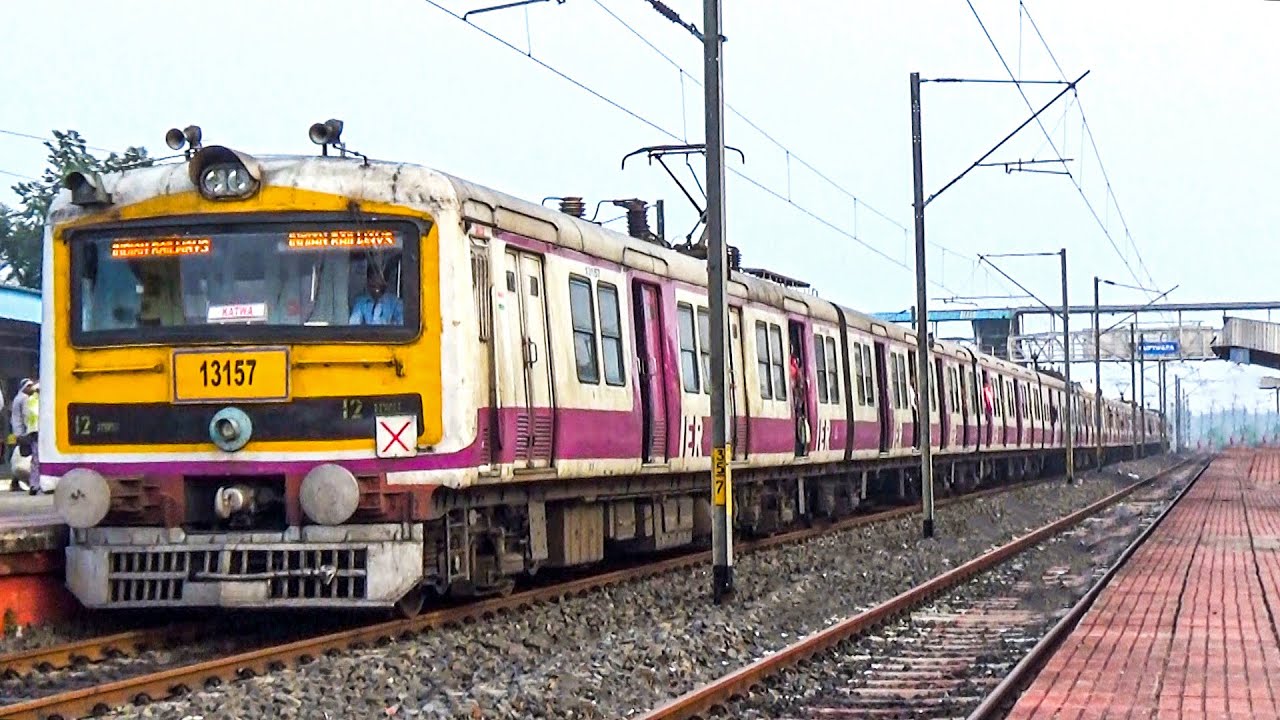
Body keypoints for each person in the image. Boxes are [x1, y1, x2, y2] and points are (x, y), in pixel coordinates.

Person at [9, 379, 31, 492]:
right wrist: (30, 429)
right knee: (24, 454)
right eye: (29, 386)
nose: (31, 388)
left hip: (16, 431)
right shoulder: (25, 398)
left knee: (16, 455)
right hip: (23, 432)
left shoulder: (17, 398)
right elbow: (26, 415)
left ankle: (14, 482)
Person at [22, 382, 38, 495]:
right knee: (37, 458)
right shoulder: (33, 400)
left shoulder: (30, 400)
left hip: (35, 431)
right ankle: (35, 484)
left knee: (36, 459)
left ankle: (34, 484)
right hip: (37, 431)